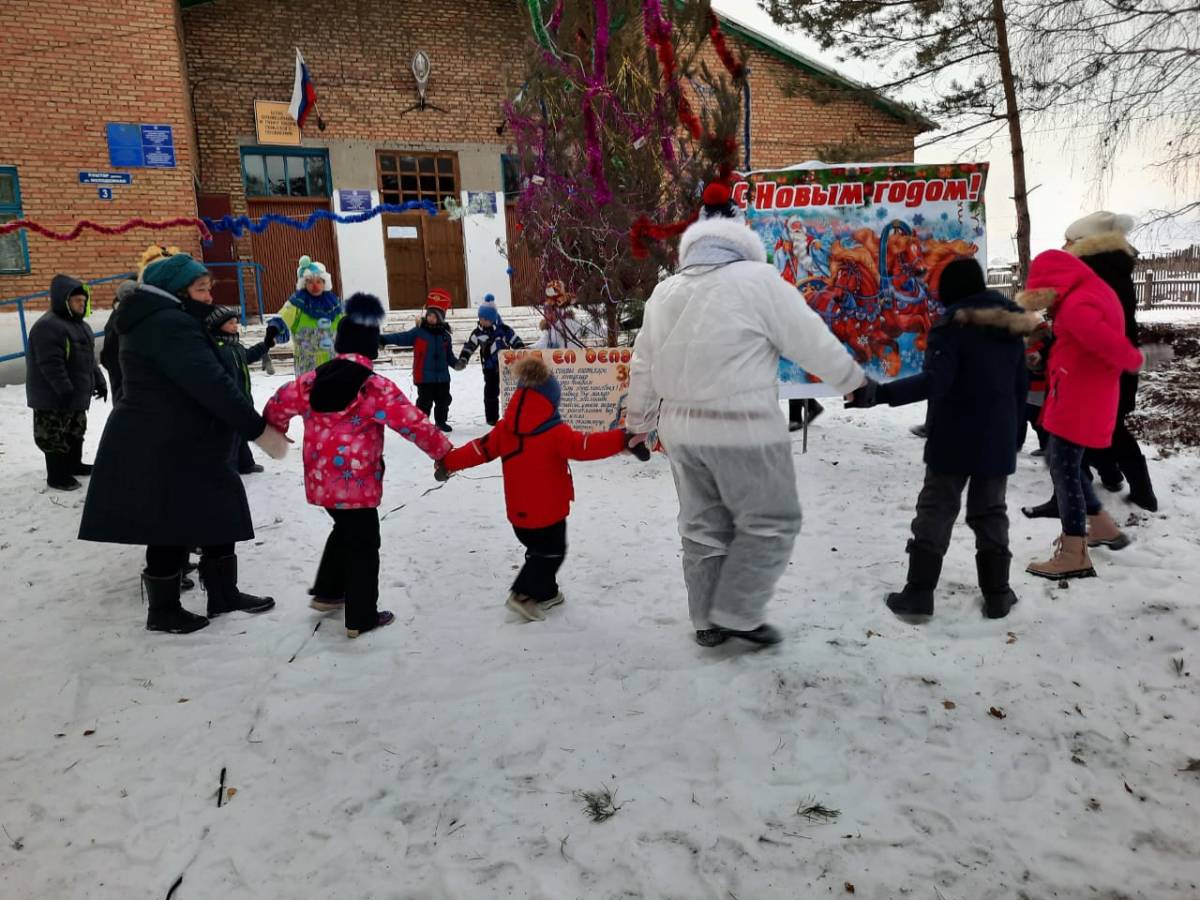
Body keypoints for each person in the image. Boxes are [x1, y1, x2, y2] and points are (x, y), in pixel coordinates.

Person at [625, 182, 867, 647]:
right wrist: (852, 382)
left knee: (700, 526)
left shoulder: (665, 292)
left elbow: (644, 365)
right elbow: (808, 338)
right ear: (742, 237)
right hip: (742, 428)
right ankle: (737, 611)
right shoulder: (759, 282)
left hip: (682, 432)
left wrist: (639, 426)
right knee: (772, 519)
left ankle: (707, 620)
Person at [78, 250, 290, 634]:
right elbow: (211, 384)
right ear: (176, 291)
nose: (209, 297)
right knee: (170, 524)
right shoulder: (167, 325)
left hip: (185, 439)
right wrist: (260, 431)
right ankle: (164, 611)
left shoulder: (166, 320)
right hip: (166, 443)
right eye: (201, 289)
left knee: (215, 512)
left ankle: (223, 593)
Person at [845, 259, 1037, 620]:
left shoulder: (952, 326)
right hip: (997, 435)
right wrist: (1014, 435)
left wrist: (881, 394)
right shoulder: (1011, 325)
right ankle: (997, 594)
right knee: (991, 512)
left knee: (936, 509)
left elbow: (936, 381)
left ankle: (919, 595)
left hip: (954, 434)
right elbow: (1019, 386)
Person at [264, 293, 453, 638]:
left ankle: (329, 592)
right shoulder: (373, 386)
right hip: (357, 484)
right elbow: (414, 423)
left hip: (321, 482)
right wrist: (444, 453)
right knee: (364, 542)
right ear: (371, 347)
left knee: (345, 528)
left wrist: (276, 429)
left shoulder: (312, 380)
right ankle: (361, 616)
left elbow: (278, 403)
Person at [437, 355, 646, 622]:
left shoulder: (504, 430)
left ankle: (547, 593)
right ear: (549, 403)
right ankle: (522, 594)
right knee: (551, 553)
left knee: (537, 552)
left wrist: (448, 463)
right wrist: (622, 439)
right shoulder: (555, 434)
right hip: (548, 514)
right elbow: (586, 445)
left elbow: (478, 450)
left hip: (519, 517)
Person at [1018, 249, 1143, 580]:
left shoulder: (1076, 305)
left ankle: (1074, 553)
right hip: (1082, 397)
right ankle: (1102, 527)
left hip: (1077, 401)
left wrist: (1134, 358)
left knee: (1064, 471)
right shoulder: (1091, 291)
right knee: (1067, 466)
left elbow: (1106, 343)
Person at [1067, 212, 1157, 511]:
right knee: (1104, 425)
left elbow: (1092, 325)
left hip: (1103, 365)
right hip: (1113, 362)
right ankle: (1114, 477)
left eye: (1070, 241)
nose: (1064, 246)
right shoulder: (1110, 269)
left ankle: (1142, 491)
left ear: (1086, 244)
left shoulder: (1093, 274)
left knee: (1110, 428)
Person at [25, 275, 107, 491]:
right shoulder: (48, 326)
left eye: (83, 301)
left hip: (75, 394)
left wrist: (99, 381)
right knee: (54, 435)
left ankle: (74, 465)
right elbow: (50, 363)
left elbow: (89, 360)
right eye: (77, 301)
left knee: (75, 431)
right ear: (63, 301)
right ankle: (57, 476)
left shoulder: (82, 327)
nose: (82, 305)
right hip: (52, 396)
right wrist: (64, 388)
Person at [205, 306, 286, 475]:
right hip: (228, 399)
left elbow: (248, 356)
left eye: (235, 322)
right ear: (218, 325)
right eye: (230, 323)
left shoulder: (235, 345)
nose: (235, 326)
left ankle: (246, 463)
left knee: (240, 432)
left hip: (243, 396)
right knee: (231, 435)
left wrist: (265, 346)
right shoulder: (217, 348)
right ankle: (230, 466)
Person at [380, 287, 456, 432]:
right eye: (429, 315)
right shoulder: (419, 333)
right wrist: (384, 339)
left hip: (442, 377)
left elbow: (450, 356)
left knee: (443, 401)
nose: (430, 318)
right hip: (424, 377)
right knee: (424, 402)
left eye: (434, 316)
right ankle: (422, 424)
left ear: (440, 318)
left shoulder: (445, 336)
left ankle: (441, 422)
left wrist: (458, 363)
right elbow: (400, 337)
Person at [453, 301, 526, 425]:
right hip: (489, 368)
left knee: (510, 392)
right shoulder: (478, 333)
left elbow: (515, 340)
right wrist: (463, 358)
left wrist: (521, 350)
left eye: (485, 319)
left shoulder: (504, 330)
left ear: (492, 318)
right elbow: (469, 346)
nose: (482, 321)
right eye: (480, 318)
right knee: (490, 393)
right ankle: (492, 418)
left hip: (506, 367)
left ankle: (514, 416)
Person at [277, 255, 342, 376]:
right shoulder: (296, 303)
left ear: (324, 283)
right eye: (310, 282)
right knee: (309, 393)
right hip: (307, 365)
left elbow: (346, 326)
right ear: (304, 284)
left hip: (332, 363)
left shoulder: (334, 304)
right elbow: (281, 321)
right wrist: (274, 329)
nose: (315, 286)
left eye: (318, 281)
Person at [534, 282, 588, 349]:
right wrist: (528, 348)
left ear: (559, 312)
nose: (548, 316)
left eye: (550, 312)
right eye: (545, 313)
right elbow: (542, 343)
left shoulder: (568, 323)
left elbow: (586, 329)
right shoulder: (549, 329)